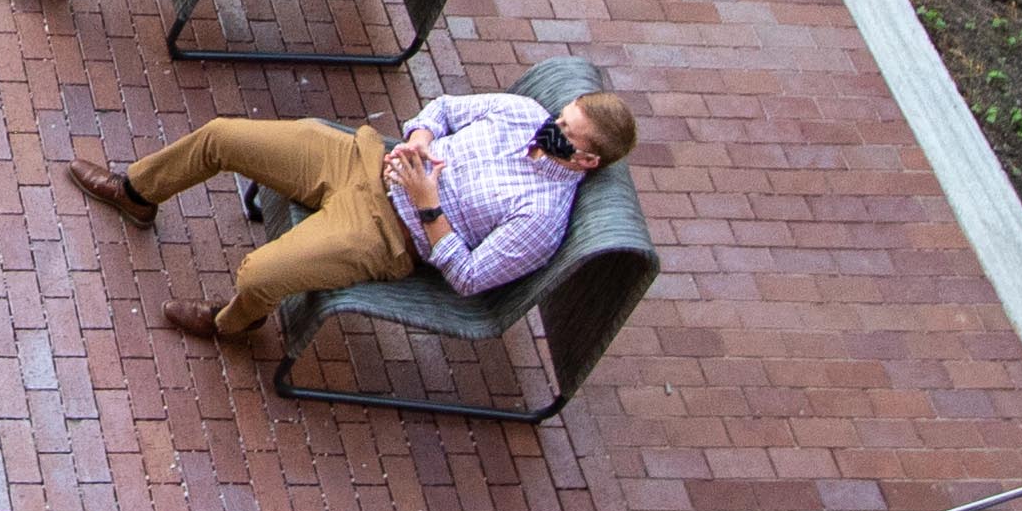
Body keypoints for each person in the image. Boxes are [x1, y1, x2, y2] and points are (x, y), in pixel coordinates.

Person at [62, 85, 638, 352]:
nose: (549, 130)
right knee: (221, 137)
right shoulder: (522, 114)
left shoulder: (541, 215)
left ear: (586, 160)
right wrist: (418, 139)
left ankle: (233, 324)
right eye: (559, 118)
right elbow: (440, 109)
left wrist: (428, 202)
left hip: (389, 234)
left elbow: (468, 278)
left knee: (260, 274)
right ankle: (136, 191)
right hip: (360, 157)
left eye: (564, 134)